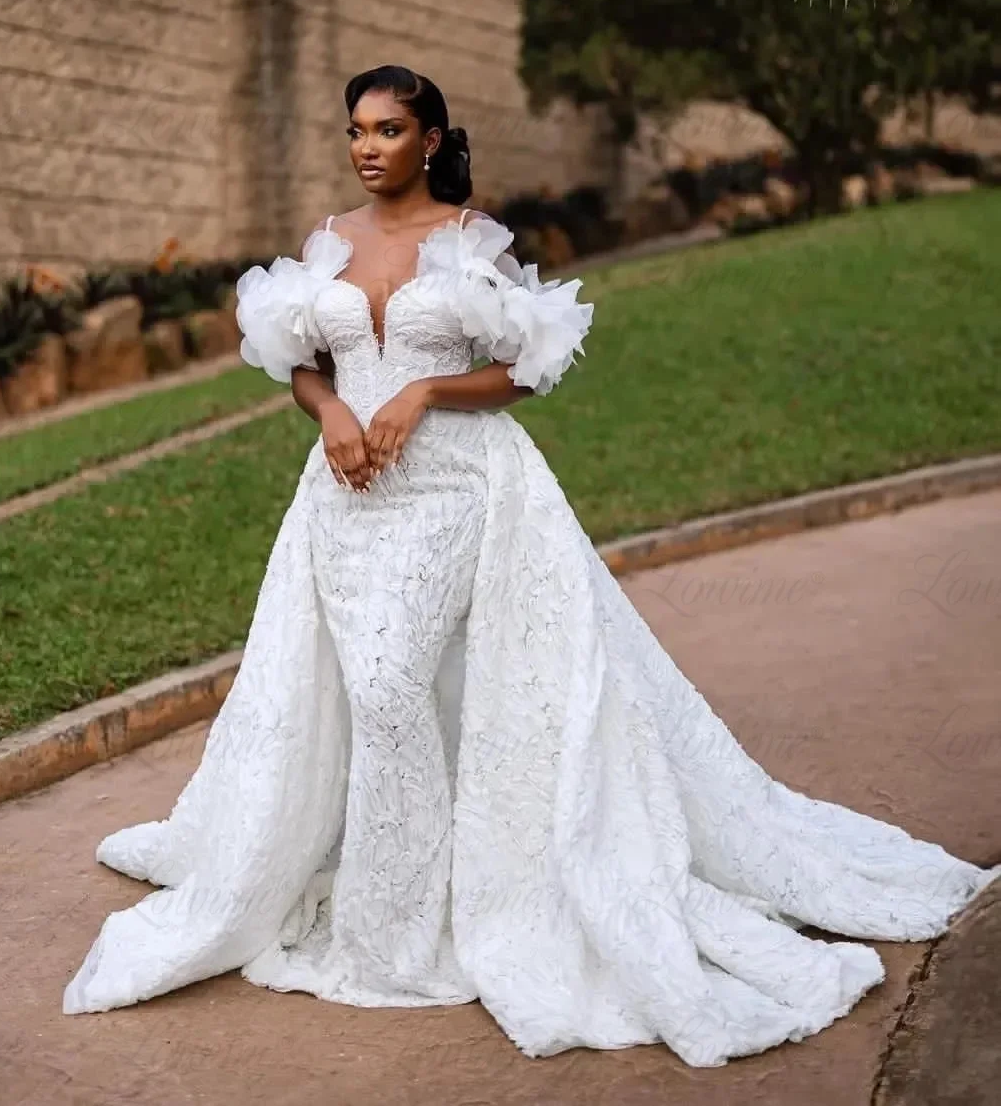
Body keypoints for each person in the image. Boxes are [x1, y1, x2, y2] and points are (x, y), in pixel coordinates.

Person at [63, 65, 998, 1068]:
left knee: (388, 690)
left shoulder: (471, 243)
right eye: (354, 130)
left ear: (429, 139)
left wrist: (419, 391)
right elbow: (300, 355)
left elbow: (525, 369)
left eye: (386, 129)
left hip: (459, 489)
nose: (366, 146)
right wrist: (333, 409)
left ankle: (396, 932)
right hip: (342, 501)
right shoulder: (328, 238)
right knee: (357, 687)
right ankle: (387, 886)